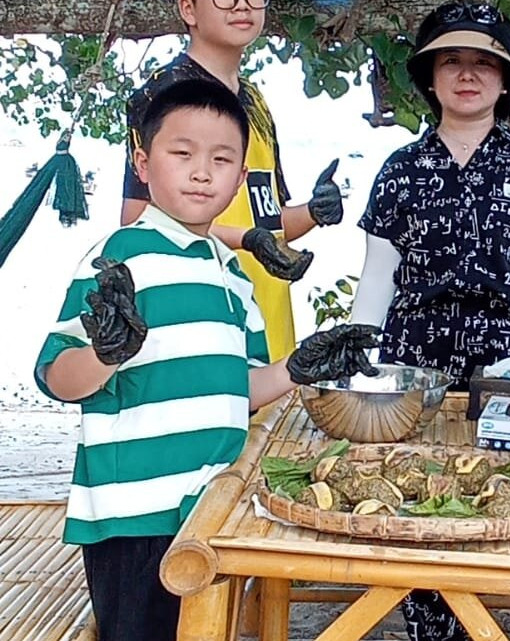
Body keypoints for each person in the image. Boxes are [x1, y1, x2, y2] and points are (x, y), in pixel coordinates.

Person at [35, 79, 378, 641]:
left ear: (240, 178)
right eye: (182, 153)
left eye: (221, 159)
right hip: (135, 519)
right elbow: (56, 376)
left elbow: (235, 389)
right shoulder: (115, 259)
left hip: (214, 507)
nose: (202, 172)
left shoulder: (232, 273)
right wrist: (103, 354)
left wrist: (296, 369)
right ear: (142, 164)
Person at [350, 1, 510, 641]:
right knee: (422, 514)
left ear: (506, 80)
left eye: (485, 63)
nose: (467, 74)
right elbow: (377, 278)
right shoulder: (399, 170)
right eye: (452, 61)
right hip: (413, 372)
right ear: (429, 77)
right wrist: (356, 364)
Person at [121, 0, 344, 363]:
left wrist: (315, 213)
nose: (242, 3)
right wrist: (247, 239)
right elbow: (137, 219)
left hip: (269, 330)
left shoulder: (255, 101)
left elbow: (269, 219)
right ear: (188, 8)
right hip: (199, 326)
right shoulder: (164, 94)